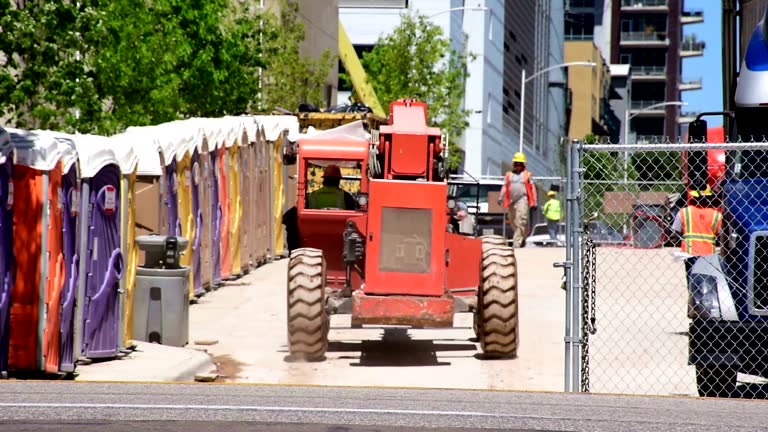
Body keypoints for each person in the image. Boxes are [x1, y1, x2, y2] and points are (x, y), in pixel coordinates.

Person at [671, 186, 724, 273]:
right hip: (708, 254)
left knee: (691, 278)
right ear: (709, 198)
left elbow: (676, 233)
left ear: (694, 197)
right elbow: (721, 236)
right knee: (706, 280)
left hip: (689, 254)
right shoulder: (716, 215)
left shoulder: (684, 212)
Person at [497, 151, 537, 248]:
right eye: (516, 163)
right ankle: (521, 237)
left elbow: (533, 188)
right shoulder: (508, 175)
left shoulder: (527, 175)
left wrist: (534, 201)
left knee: (521, 220)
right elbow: (505, 187)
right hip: (511, 201)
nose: (518, 165)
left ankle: (516, 243)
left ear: (523, 164)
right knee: (512, 221)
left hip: (522, 200)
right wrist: (500, 197)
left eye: (520, 163)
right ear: (514, 164)